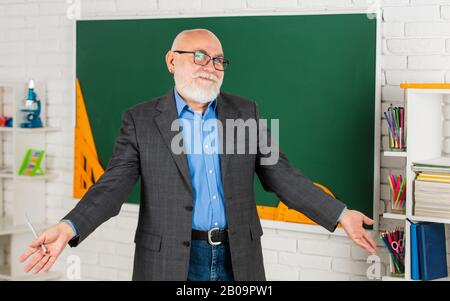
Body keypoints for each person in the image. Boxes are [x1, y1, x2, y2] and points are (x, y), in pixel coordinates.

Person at [19, 28, 377, 281]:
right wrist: (69, 227)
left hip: (237, 258)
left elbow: (281, 174)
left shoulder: (245, 111)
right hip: (169, 261)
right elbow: (112, 186)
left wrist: (340, 213)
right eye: (200, 56)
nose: (211, 66)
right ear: (172, 61)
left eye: (219, 60)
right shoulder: (141, 119)